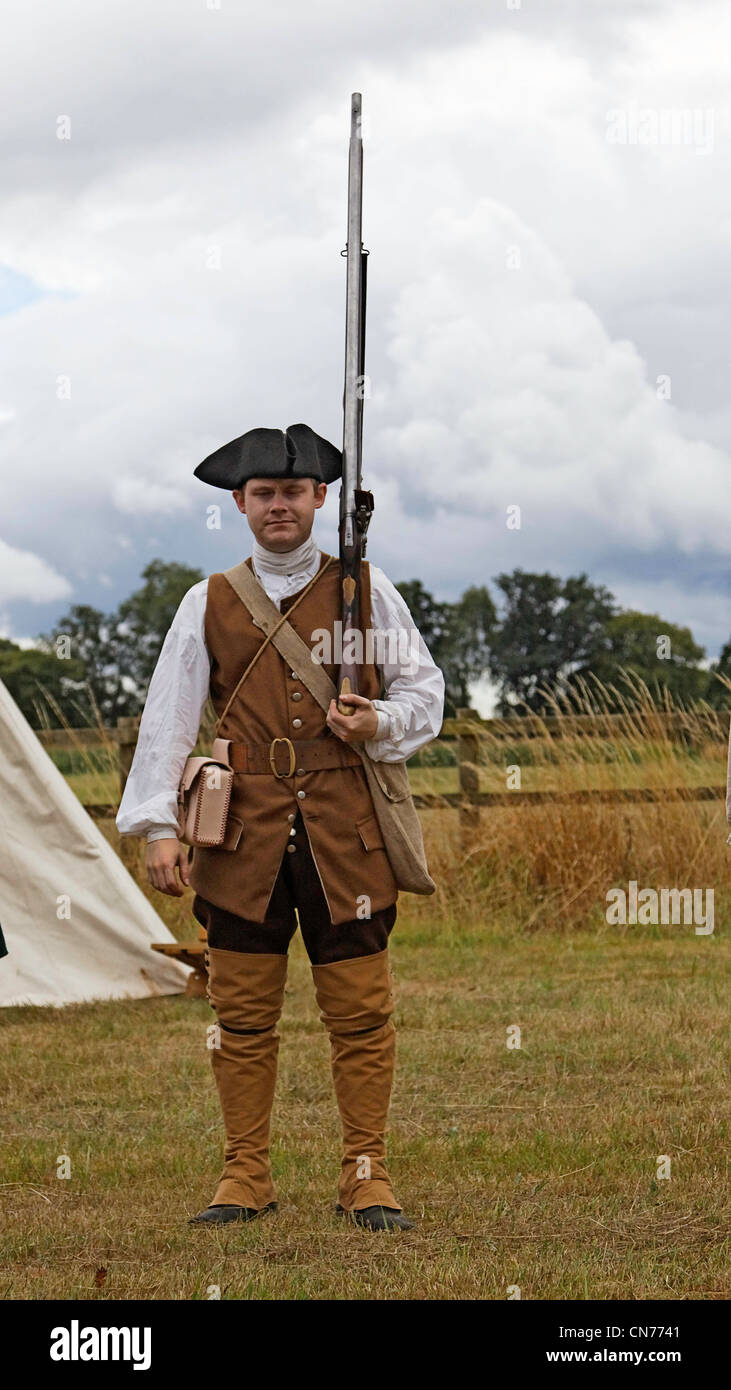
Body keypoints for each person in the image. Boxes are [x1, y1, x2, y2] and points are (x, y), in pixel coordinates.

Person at [116, 423, 445, 1231]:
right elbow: (170, 718)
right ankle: (244, 1176)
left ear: (320, 499)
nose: (279, 507)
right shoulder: (210, 600)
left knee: (361, 1013)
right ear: (240, 502)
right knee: (241, 1015)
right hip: (240, 836)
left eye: (293, 493)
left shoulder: (364, 590)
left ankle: (365, 1176)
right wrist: (160, 824)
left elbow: (425, 695)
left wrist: (376, 722)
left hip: (347, 833)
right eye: (263, 494)